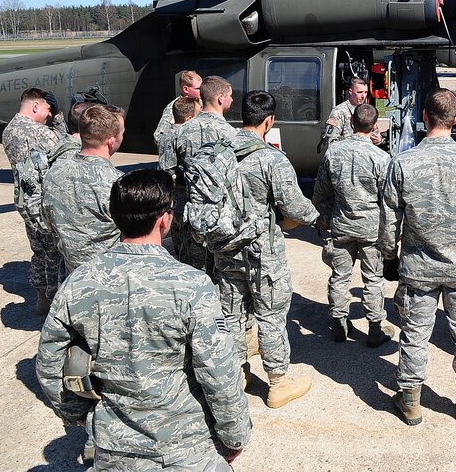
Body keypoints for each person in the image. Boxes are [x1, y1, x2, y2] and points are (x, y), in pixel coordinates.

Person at [36, 169, 251, 470]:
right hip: (186, 447)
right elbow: (219, 372)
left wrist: (81, 415)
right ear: (165, 219)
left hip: (114, 448)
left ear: (115, 217)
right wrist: (235, 435)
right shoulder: (191, 285)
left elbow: (50, 363)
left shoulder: (79, 282)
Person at [381, 88, 456, 426]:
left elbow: (390, 221)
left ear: (425, 118)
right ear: (455, 120)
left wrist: (390, 258)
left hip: (418, 268)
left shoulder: (402, 163)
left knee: (414, 333)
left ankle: (410, 399)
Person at [213, 90, 319, 408]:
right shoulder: (271, 159)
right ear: (269, 121)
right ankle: (278, 383)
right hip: (262, 252)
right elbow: (295, 208)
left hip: (225, 248)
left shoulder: (218, 153)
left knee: (231, 315)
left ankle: (236, 374)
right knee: (270, 315)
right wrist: (319, 218)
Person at [313, 103, 394, 347]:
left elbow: (321, 192)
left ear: (351, 123)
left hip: (341, 224)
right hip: (371, 228)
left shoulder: (334, 153)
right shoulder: (381, 157)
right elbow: (388, 199)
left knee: (339, 276)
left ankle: (339, 321)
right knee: (373, 280)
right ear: (375, 127)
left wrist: (322, 219)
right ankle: (374, 327)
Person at [2, 88, 66, 314]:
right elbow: (66, 146)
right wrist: (59, 117)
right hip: (44, 202)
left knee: (39, 250)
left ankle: (40, 294)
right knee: (53, 253)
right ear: (35, 106)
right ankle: (51, 299)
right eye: (47, 109)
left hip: (25, 201)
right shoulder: (37, 131)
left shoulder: (10, 130)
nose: (49, 115)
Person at [42, 104, 125, 276]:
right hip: (109, 279)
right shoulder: (116, 182)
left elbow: (46, 223)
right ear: (111, 141)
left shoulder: (54, 173)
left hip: (71, 278)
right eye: (121, 133)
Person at [175, 75, 238, 272]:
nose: (232, 100)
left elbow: (169, 171)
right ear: (220, 98)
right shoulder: (230, 134)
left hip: (189, 213)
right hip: (220, 218)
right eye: (230, 96)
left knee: (192, 270)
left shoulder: (181, 131)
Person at [157, 96, 201, 263]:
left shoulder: (166, 134)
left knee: (177, 237)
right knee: (189, 242)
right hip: (183, 196)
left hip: (173, 197)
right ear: (189, 118)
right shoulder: (182, 136)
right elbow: (175, 169)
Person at [324, 77, 382, 147]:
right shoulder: (339, 112)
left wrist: (378, 140)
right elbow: (331, 142)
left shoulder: (368, 111)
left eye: (365, 92)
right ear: (350, 91)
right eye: (359, 92)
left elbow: (375, 133)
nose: (363, 96)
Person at [153, 70, 202, 148]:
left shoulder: (202, 104)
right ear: (186, 89)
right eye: (198, 88)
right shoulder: (174, 107)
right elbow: (159, 137)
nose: (201, 91)